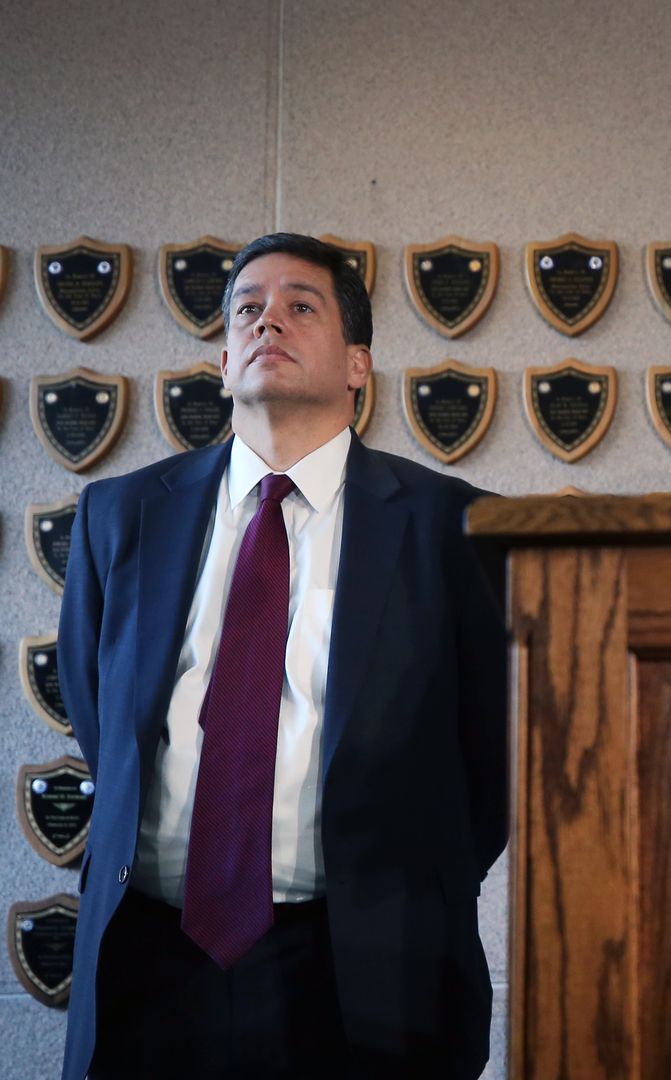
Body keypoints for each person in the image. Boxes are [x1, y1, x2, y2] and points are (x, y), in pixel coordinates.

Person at [58, 232, 508, 1078]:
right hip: (150, 966)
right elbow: (98, 711)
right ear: (224, 361)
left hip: (361, 974)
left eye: (302, 306)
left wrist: (405, 887)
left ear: (357, 365)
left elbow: (490, 760)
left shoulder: (455, 527)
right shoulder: (121, 515)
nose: (270, 323)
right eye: (248, 311)